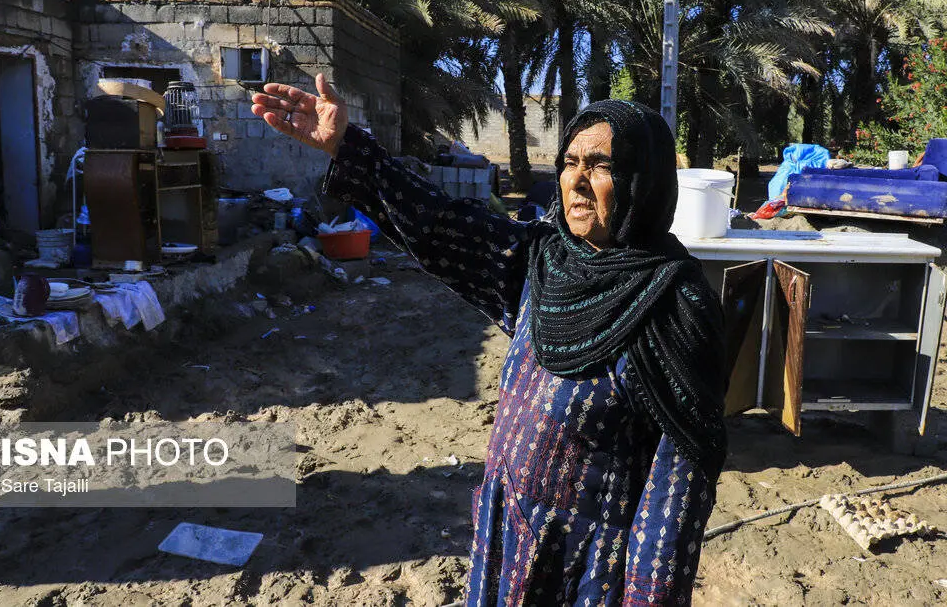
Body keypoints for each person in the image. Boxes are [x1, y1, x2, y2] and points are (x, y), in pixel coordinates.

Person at [252, 74, 728, 606]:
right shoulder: (544, 261)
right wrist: (348, 147)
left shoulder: (674, 305)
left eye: (599, 166)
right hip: (510, 530)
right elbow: (440, 225)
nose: (576, 180)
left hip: (588, 564)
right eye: (570, 162)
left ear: (643, 180)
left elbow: (675, 497)